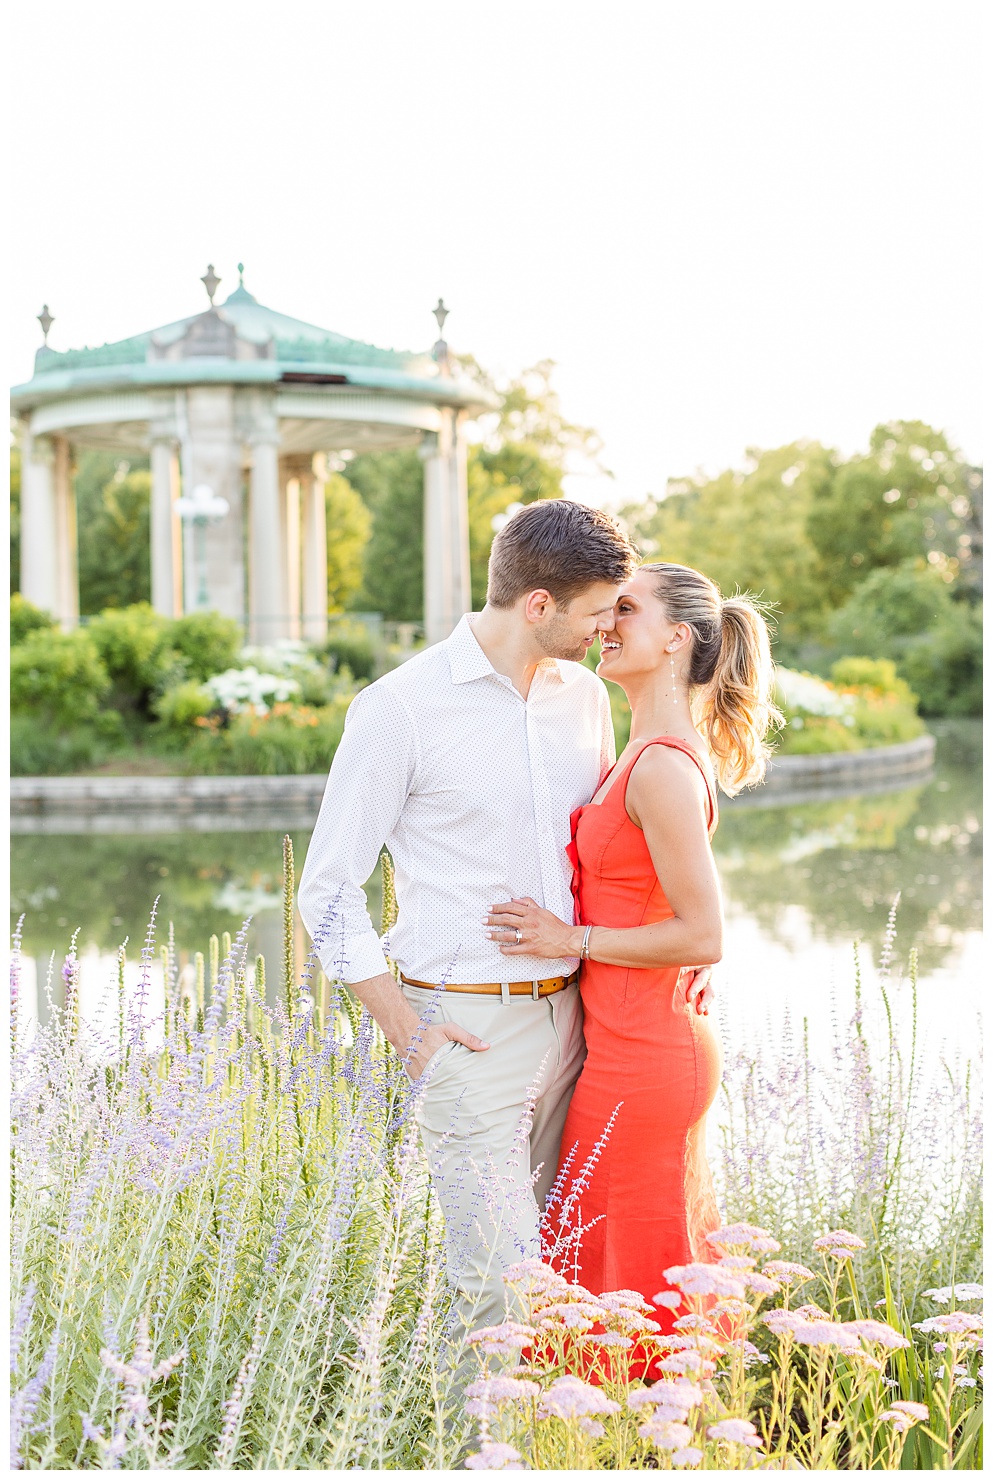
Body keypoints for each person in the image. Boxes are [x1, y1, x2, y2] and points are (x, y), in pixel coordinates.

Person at [300, 500, 698, 1337]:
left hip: (582, 1026)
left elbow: (614, 852)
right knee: (497, 1289)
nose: (605, 629)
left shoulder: (586, 700)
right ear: (540, 605)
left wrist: (679, 947)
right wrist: (406, 1029)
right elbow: (328, 890)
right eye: (597, 612)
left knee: (564, 1272)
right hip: (468, 1027)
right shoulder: (399, 708)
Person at [486, 562, 780, 1330]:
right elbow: (670, 907)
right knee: (611, 1258)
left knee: (624, 1267)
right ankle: (631, 1428)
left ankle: (642, 1431)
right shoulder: (642, 752)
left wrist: (568, 939)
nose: (606, 622)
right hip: (627, 1041)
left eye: (626, 608)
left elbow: (703, 931)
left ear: (675, 639)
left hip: (645, 1057)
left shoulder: (659, 768)